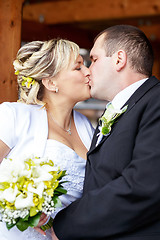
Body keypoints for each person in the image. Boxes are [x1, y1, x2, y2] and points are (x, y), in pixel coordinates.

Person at [51, 25, 160, 239]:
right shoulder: (118, 110)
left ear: (119, 60)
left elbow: (143, 186)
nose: (88, 70)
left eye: (94, 59)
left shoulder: (155, 102)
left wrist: (65, 224)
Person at [0, 38, 94, 240]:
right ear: (51, 83)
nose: (88, 72)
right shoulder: (14, 116)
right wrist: (20, 205)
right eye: (78, 67)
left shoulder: (87, 127)